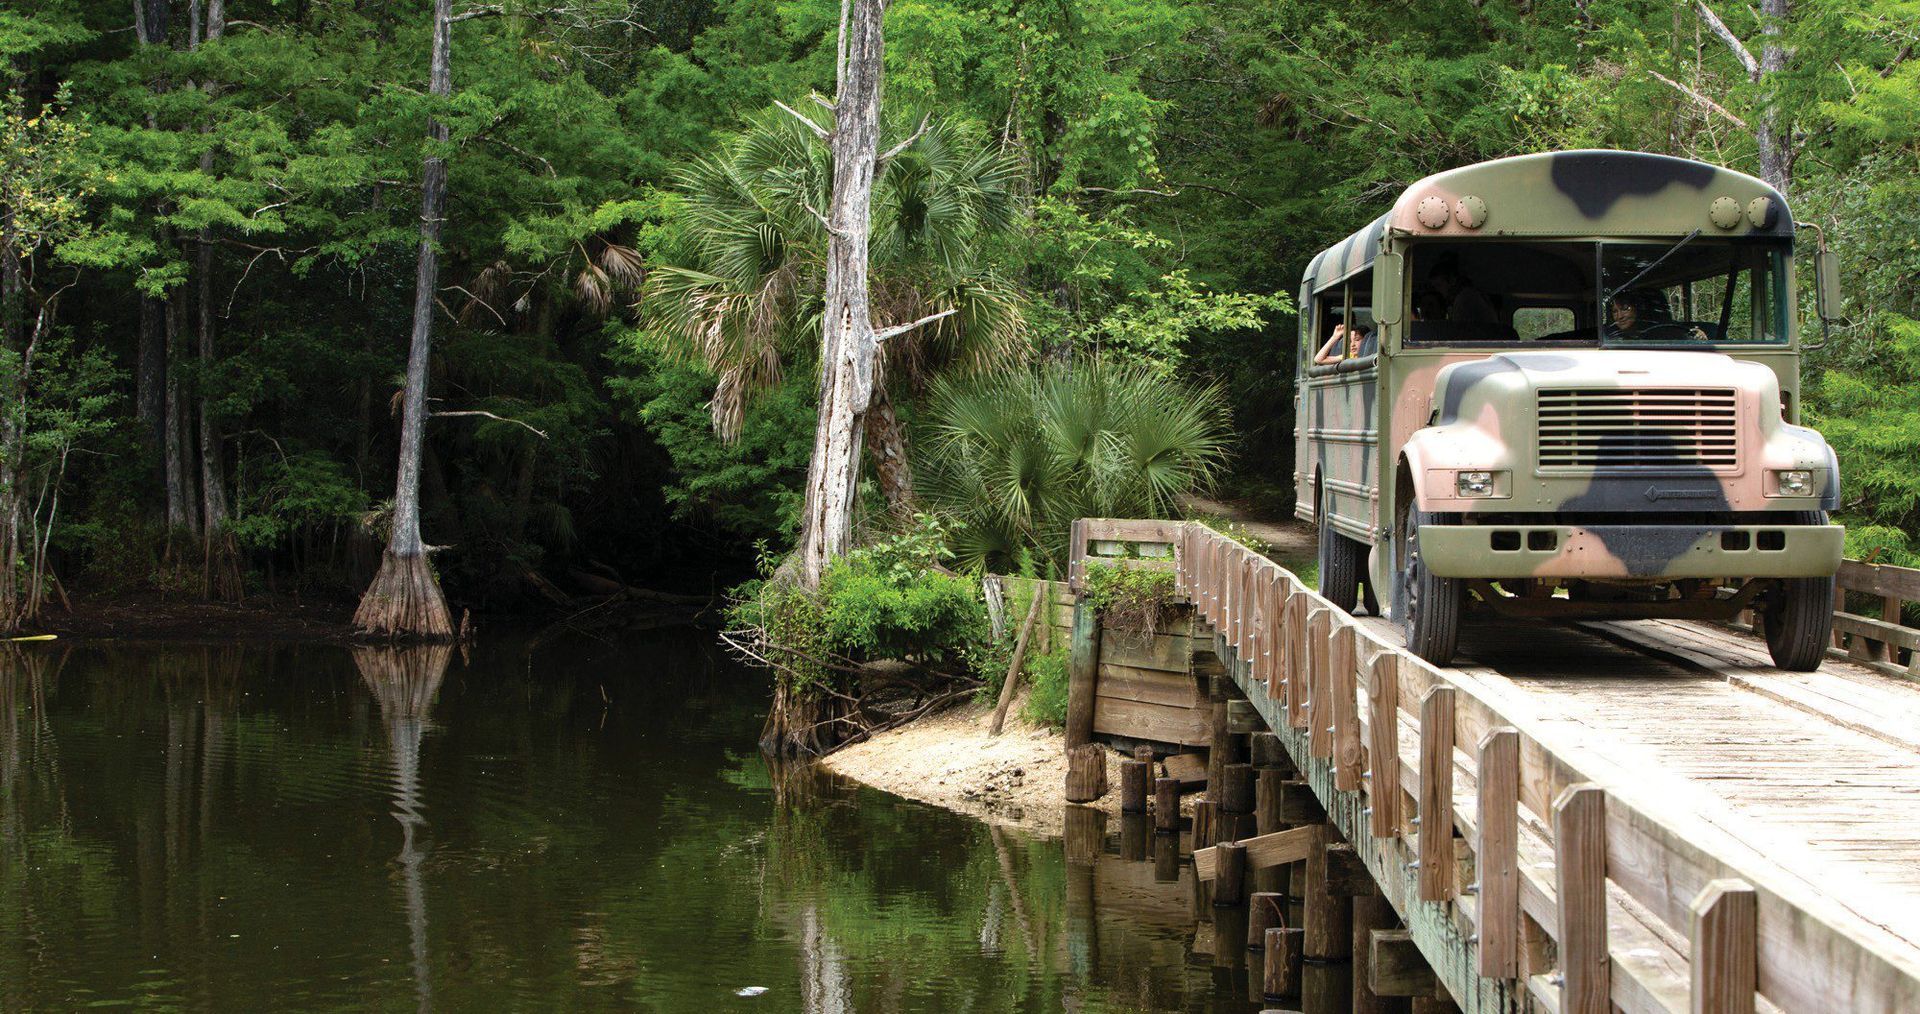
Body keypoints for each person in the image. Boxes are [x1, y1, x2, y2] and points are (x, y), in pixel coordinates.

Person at [1607, 290, 1710, 340]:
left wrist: (1699, 338)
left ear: (1637, 309)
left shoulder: (1669, 330)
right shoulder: (1610, 337)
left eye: (1625, 309)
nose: (1620, 316)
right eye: (1615, 311)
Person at [1428, 254, 1498, 323]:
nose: (1437, 290)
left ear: (1452, 280)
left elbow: (1459, 331)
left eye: (1439, 285)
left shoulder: (1464, 299)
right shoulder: (1471, 293)